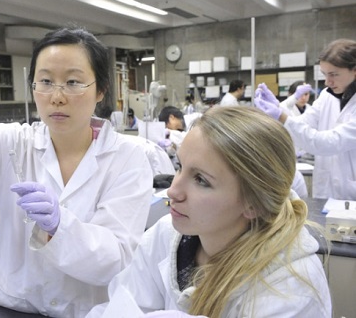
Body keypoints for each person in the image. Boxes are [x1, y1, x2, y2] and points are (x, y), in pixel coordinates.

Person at [0, 27, 153, 317]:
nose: (57, 97)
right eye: (45, 81)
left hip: (88, 313)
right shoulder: (11, 143)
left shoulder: (128, 158)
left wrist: (61, 227)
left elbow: (116, 259)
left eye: (72, 82)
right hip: (11, 309)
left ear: (101, 90)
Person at [87, 106, 331, 318]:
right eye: (180, 167)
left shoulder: (291, 286)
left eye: (201, 180)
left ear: (252, 203)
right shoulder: (166, 236)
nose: (173, 191)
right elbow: (122, 305)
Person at [255, 38, 356, 200]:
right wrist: (279, 108)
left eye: (334, 74)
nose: (327, 82)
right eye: (324, 74)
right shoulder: (327, 95)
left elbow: (329, 142)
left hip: (350, 194)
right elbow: (304, 122)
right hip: (325, 190)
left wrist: (281, 116)